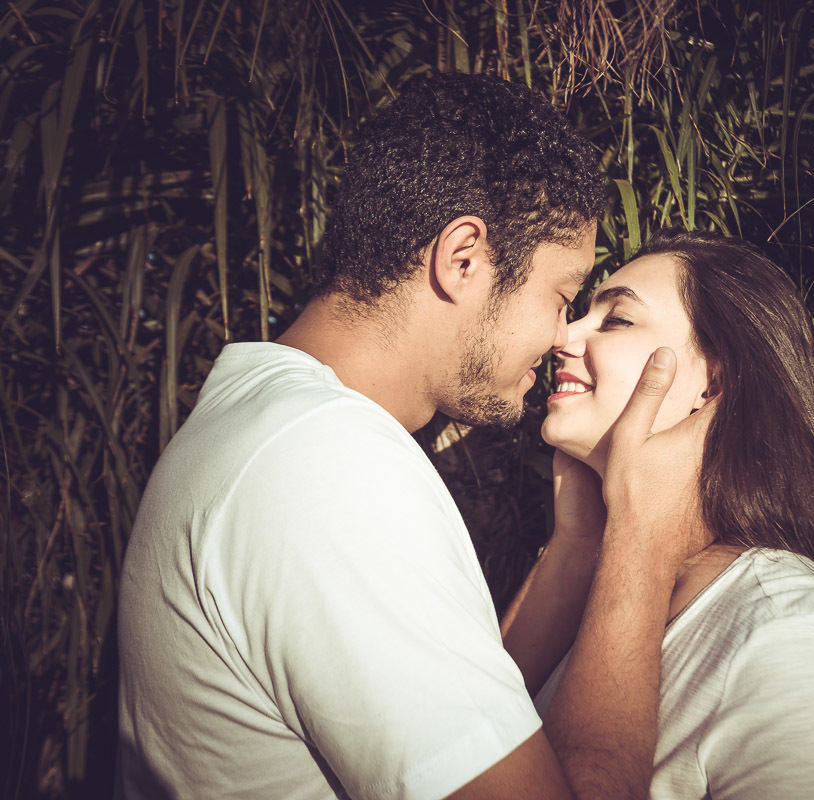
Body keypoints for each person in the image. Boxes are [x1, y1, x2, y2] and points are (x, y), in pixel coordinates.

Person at [117, 73, 712, 800]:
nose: (563, 336)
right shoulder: (332, 468)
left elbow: (465, 730)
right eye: (561, 297)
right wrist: (643, 540)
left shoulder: (258, 420)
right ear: (463, 260)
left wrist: (580, 541)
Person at [501, 228, 814, 798]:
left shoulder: (793, 637)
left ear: (712, 383)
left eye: (616, 319)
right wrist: (578, 541)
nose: (563, 335)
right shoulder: (606, 593)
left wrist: (635, 536)